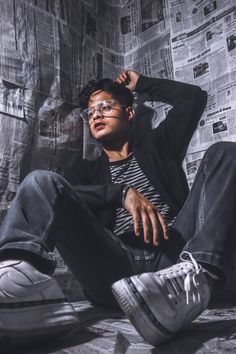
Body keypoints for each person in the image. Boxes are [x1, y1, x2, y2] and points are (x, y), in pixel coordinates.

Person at [0, 70, 235, 346]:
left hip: (177, 256)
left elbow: (192, 98)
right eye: (90, 112)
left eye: (105, 107)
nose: (96, 115)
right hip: (116, 268)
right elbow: (55, 194)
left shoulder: (158, 145)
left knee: (226, 153)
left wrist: (141, 83)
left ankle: (199, 280)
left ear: (129, 114)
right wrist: (119, 193)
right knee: (39, 181)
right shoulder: (85, 172)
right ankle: (17, 289)